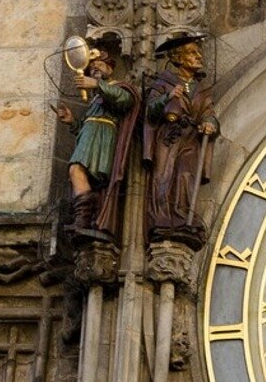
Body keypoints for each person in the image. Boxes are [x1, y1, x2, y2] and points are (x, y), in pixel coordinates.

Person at [54, 39, 138, 240]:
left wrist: (97, 85)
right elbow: (85, 125)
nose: (94, 69)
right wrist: (72, 121)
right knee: (78, 173)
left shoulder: (118, 87)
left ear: (110, 68)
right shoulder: (95, 98)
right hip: (90, 135)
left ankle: (84, 218)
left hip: (103, 138)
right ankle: (85, 218)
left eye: (99, 65)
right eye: (92, 67)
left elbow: (125, 100)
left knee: (76, 170)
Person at [144, 35, 220, 243]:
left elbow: (208, 112)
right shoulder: (163, 83)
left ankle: (183, 215)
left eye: (198, 52)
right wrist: (167, 97)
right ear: (178, 59)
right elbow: (150, 111)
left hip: (191, 138)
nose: (198, 56)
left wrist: (210, 122)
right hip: (168, 137)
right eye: (192, 53)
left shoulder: (200, 89)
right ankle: (161, 217)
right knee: (164, 175)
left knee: (186, 175)